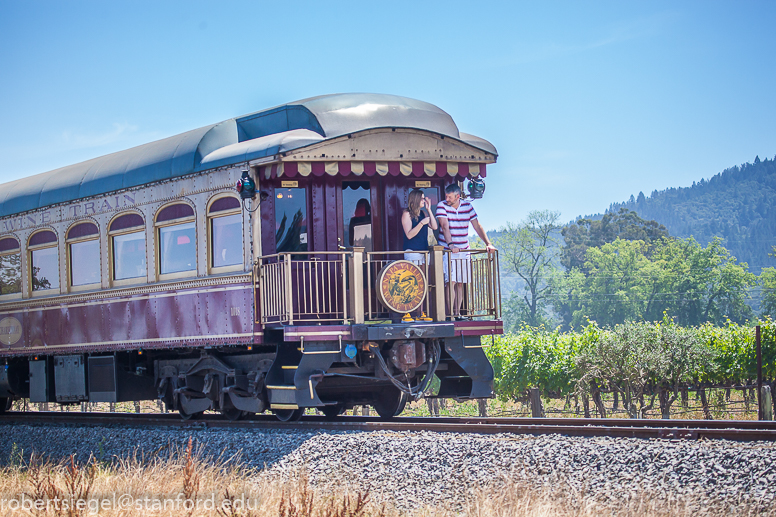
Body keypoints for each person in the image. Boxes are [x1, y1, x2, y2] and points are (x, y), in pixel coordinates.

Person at [436, 183, 496, 319]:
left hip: (464, 250)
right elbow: (444, 227)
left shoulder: (467, 207)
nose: (447, 199)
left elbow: (477, 225)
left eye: (450, 197)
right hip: (448, 250)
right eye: (446, 196)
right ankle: (450, 313)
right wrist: (451, 245)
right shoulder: (442, 206)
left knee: (460, 283)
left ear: (457, 196)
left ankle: (457, 313)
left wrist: (488, 243)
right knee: (450, 281)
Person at [402, 189, 438, 265]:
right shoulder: (407, 213)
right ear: (416, 199)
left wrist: (429, 209)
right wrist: (421, 223)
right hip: (413, 251)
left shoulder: (423, 213)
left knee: (424, 275)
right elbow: (409, 235)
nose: (424, 201)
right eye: (422, 198)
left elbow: (434, 227)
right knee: (415, 276)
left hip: (424, 250)